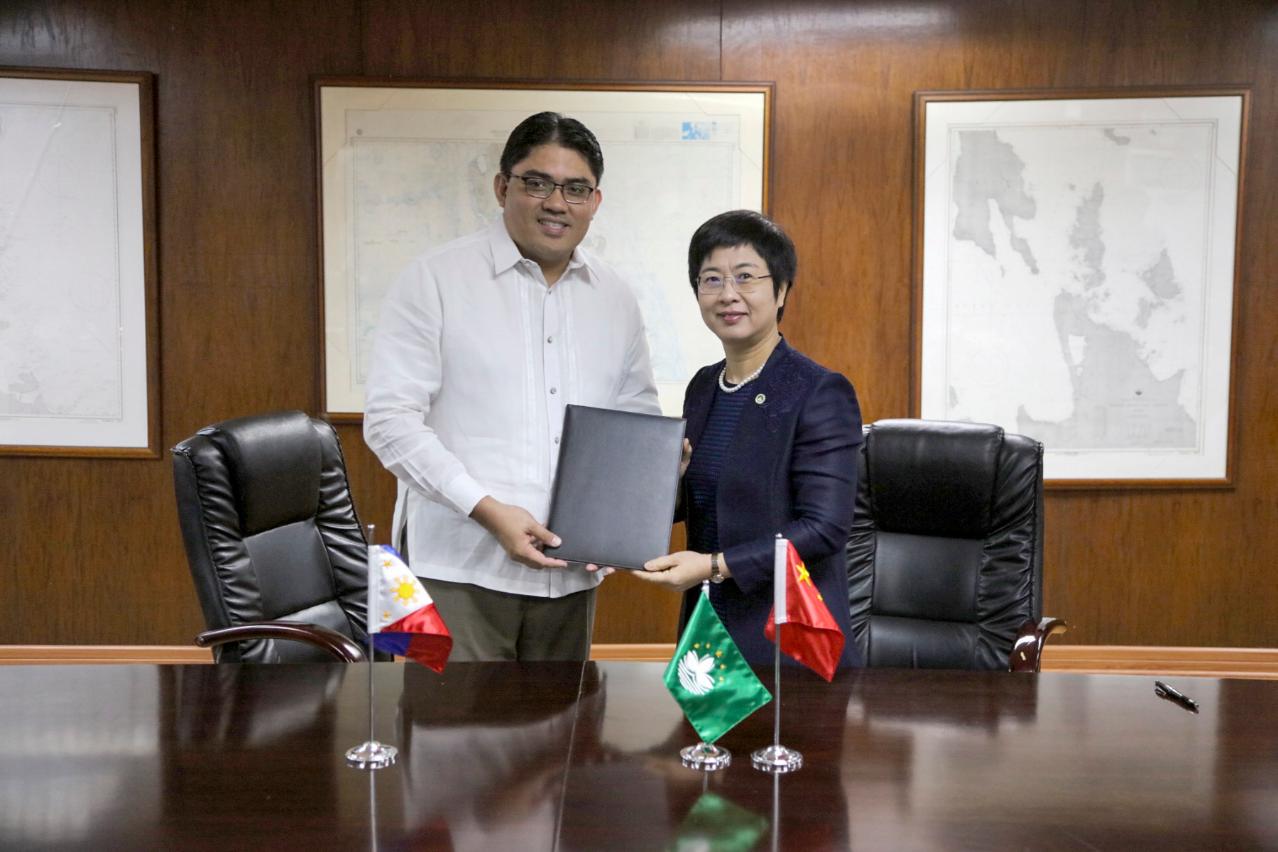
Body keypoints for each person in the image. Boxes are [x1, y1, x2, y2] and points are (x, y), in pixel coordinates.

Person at [364, 112, 660, 662]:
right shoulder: (435, 279)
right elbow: (389, 423)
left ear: (595, 201)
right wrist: (486, 509)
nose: (556, 203)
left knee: (561, 718)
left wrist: (641, 485)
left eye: (575, 189)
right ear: (502, 187)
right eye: (537, 183)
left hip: (572, 574)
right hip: (459, 571)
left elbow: (635, 417)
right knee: (451, 719)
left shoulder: (615, 297)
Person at [632, 210, 864, 668]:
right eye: (711, 279)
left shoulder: (818, 391)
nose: (728, 294)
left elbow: (824, 528)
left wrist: (714, 567)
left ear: (781, 290)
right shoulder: (704, 387)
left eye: (745, 277)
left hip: (786, 638)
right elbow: (704, 502)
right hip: (708, 631)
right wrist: (669, 483)